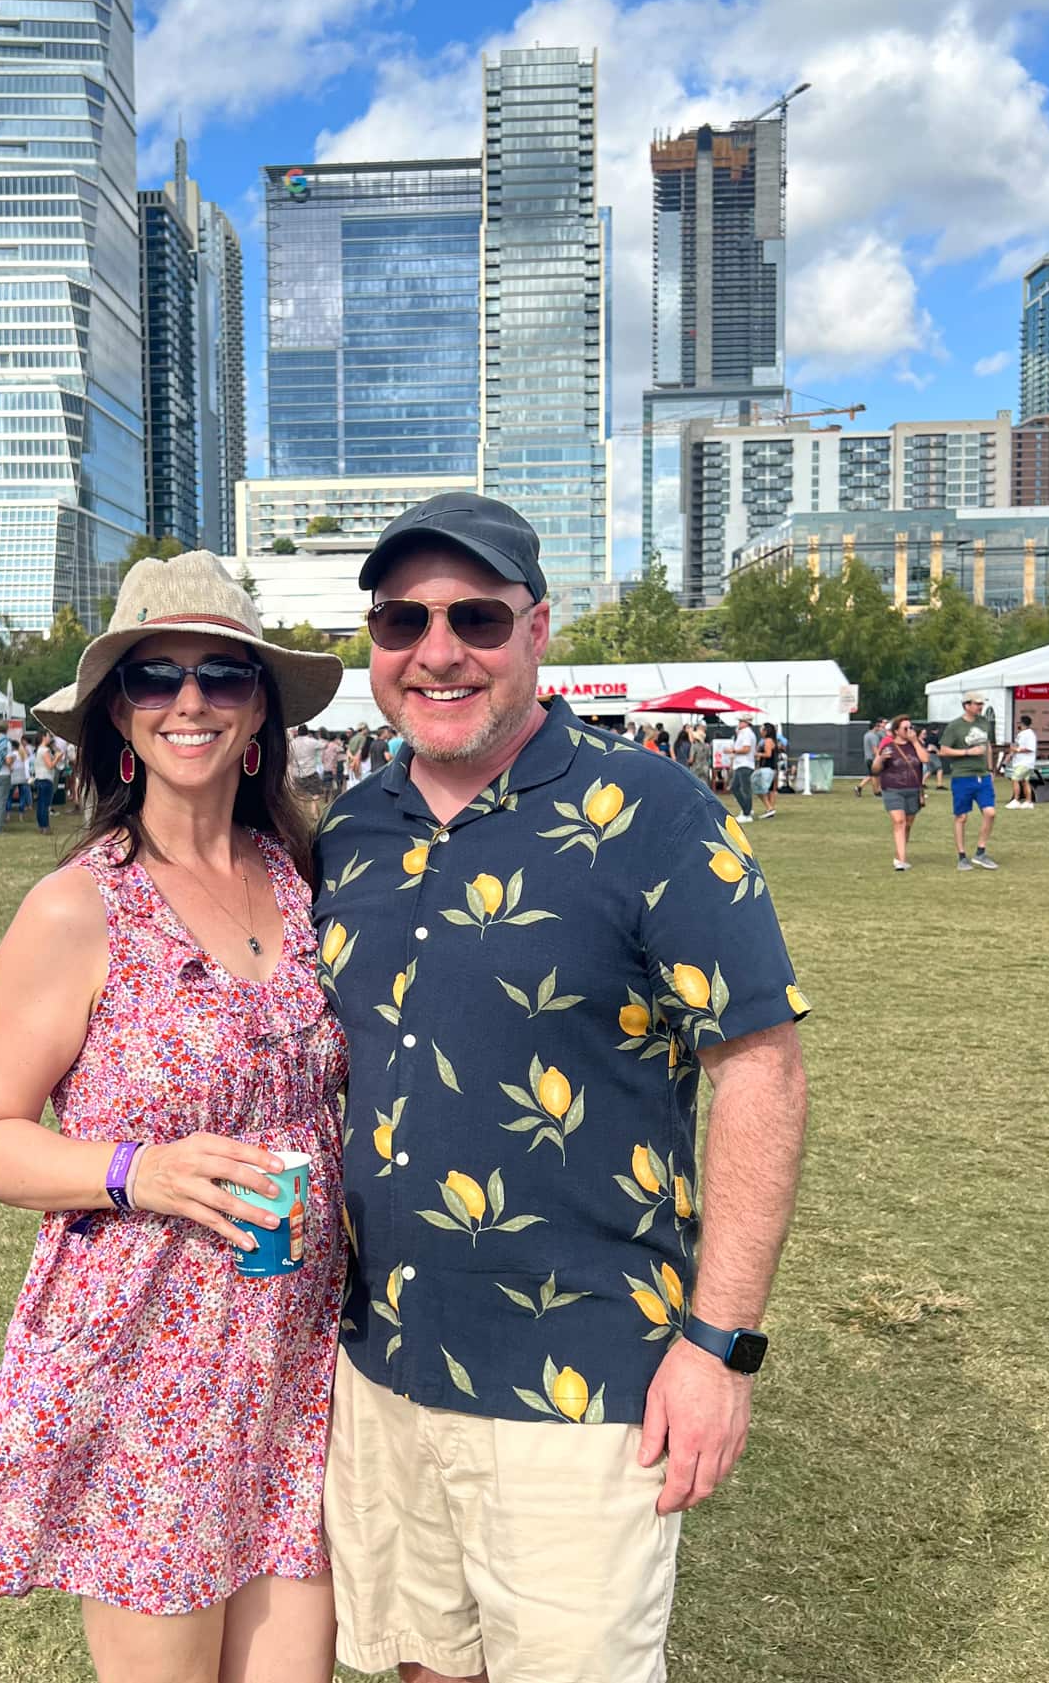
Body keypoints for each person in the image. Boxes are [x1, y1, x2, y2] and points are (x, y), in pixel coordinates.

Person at [313, 491, 810, 1683]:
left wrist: (721, 1347)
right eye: (401, 621)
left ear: (540, 629)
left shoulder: (655, 811)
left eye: (475, 616)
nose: (437, 652)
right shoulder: (350, 830)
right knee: (423, 1665)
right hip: (379, 1367)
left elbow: (763, 1070)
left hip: (582, 1383)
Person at [0, 550, 347, 1681]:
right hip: (149, 1371)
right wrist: (136, 1171)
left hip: (298, 1364)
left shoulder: (307, 873)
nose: (190, 702)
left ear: (261, 710)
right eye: (155, 677)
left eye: (223, 675)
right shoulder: (78, 904)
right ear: (118, 714)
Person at [939, 695, 999, 871]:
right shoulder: (955, 726)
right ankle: (962, 856)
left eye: (982, 703)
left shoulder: (984, 723)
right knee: (961, 817)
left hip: (983, 776)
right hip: (962, 776)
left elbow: (987, 746)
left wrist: (990, 769)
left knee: (990, 812)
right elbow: (943, 750)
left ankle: (980, 852)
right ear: (967, 705)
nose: (980, 706)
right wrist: (967, 752)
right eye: (977, 704)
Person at [872, 716, 927, 871]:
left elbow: (925, 759)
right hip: (892, 789)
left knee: (907, 825)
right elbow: (875, 770)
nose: (909, 731)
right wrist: (880, 758)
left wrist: (915, 741)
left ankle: (899, 855)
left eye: (911, 728)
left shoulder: (915, 745)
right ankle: (901, 862)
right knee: (899, 821)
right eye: (905, 728)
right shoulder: (888, 746)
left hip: (913, 790)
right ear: (896, 731)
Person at [1005, 712, 1038, 810]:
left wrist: (1017, 750)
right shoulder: (1021, 734)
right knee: (1024, 781)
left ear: (1022, 723)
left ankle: (1016, 800)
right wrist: (1010, 755)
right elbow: (1017, 746)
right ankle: (1028, 801)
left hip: (1025, 762)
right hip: (1020, 761)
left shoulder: (1030, 734)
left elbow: (1030, 748)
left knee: (1015, 779)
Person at [728, 713, 757, 822]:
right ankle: (746, 809)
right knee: (739, 788)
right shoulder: (746, 733)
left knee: (743, 789)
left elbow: (746, 749)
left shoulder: (746, 733)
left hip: (744, 764)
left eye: (740, 721)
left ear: (746, 723)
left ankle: (747, 813)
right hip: (742, 764)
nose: (739, 723)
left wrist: (733, 751)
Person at [855, 719, 889, 796]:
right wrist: (879, 758)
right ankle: (876, 791)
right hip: (872, 758)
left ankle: (859, 787)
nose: (880, 729)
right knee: (874, 775)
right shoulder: (873, 736)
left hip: (867, 757)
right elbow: (875, 749)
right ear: (875, 727)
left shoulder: (866, 734)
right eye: (879, 727)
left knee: (872, 775)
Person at [755, 722, 781, 818]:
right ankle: (770, 809)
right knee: (770, 789)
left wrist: (757, 754)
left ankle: (769, 807)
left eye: (762, 729)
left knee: (759, 789)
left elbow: (768, 754)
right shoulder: (772, 740)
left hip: (767, 768)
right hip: (772, 768)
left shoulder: (768, 741)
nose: (760, 731)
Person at [33, 732, 58, 834]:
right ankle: (45, 826)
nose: (49, 738)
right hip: (46, 779)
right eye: (48, 736)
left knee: (40, 804)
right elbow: (50, 765)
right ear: (43, 737)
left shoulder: (39, 749)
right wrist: (57, 758)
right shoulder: (45, 750)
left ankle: (41, 826)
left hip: (39, 778)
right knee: (45, 804)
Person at [9, 734, 32, 819]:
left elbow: (9, 766)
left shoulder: (11, 755)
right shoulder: (22, 754)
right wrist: (27, 776)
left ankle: (8, 815)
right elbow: (26, 765)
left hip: (13, 777)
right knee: (22, 796)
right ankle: (21, 815)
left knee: (9, 796)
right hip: (22, 777)